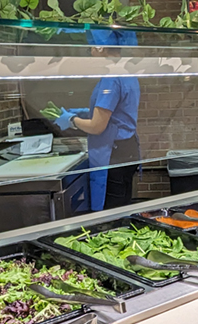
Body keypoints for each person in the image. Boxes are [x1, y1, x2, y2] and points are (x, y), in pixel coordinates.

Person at [52, 29, 140, 211]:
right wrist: (86, 112)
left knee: (111, 213)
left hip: (114, 154)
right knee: (122, 208)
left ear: (101, 48)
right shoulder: (126, 72)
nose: (90, 52)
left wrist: (72, 120)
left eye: (91, 47)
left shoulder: (111, 79)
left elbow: (97, 127)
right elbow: (118, 112)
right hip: (128, 148)